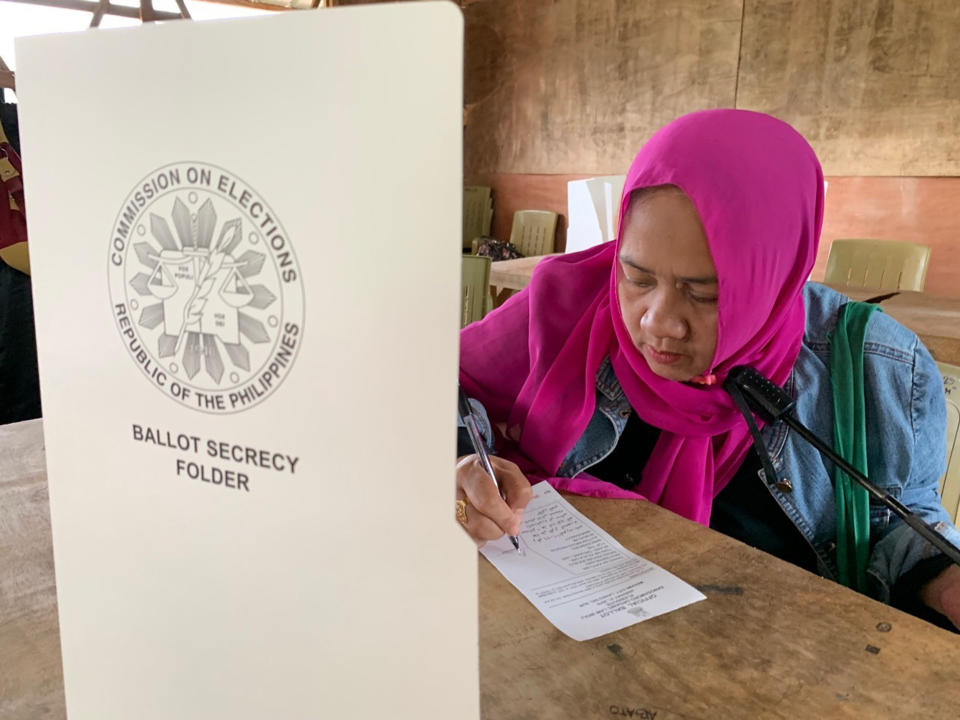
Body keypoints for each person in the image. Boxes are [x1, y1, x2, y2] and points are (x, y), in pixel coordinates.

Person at [456, 109, 960, 629]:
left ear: (775, 272)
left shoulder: (873, 366)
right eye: (636, 277)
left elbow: (898, 527)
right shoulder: (568, 306)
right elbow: (436, 389)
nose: (659, 322)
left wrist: (943, 581)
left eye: (704, 292)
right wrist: (460, 465)